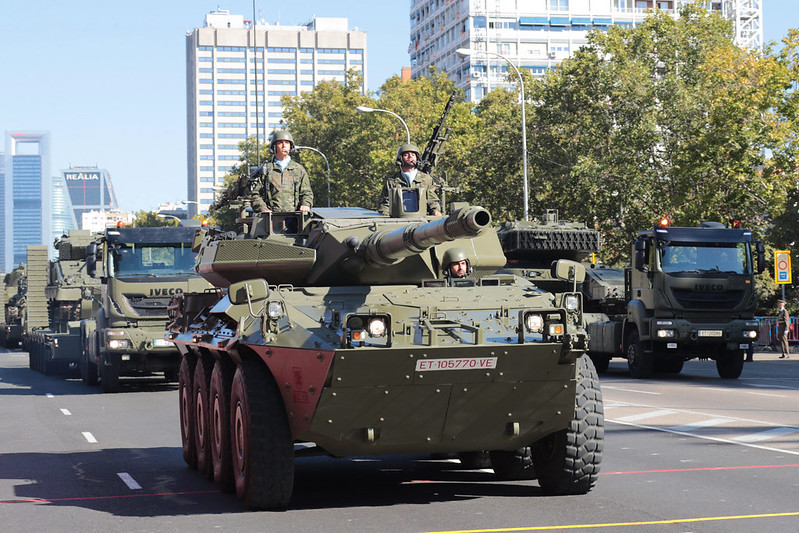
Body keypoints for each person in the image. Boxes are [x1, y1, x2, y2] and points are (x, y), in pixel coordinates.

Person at [252, 130, 313, 213]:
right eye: (280, 143)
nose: (284, 145)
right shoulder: (266, 169)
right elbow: (255, 194)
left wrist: (305, 204)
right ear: (274, 147)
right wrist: (263, 209)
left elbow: (306, 192)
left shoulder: (298, 169)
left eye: (287, 143)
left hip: (295, 217)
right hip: (271, 217)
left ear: (291, 146)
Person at [378, 143, 442, 216]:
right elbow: (385, 204)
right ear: (400, 159)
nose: (410, 157)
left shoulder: (426, 179)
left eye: (413, 155)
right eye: (406, 155)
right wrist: (385, 217)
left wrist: (435, 211)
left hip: (421, 219)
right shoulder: (392, 181)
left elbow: (432, 200)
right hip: (399, 220)